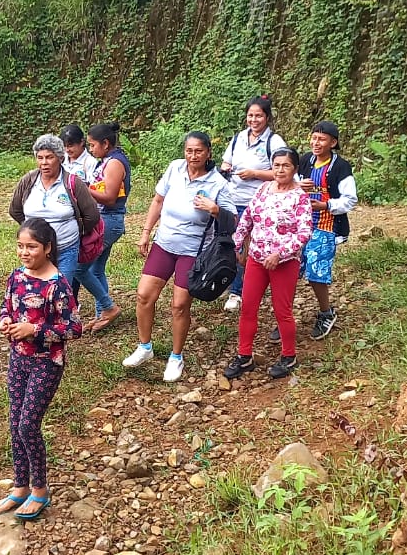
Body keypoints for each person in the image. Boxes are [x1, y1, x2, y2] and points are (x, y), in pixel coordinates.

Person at [0, 218, 82, 521]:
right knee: (15, 423)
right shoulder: (16, 277)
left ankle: (39, 490)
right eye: (20, 246)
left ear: (48, 248)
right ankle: (20, 487)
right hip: (18, 359)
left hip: (47, 363)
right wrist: (5, 321)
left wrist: (35, 330)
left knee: (28, 425)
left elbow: (74, 328)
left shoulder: (58, 285)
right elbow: (7, 306)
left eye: (31, 247)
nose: (24, 252)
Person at [123, 131, 232, 383]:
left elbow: (232, 220)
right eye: (189, 150)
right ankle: (144, 347)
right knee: (144, 295)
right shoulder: (175, 168)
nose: (193, 156)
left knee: (179, 305)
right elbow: (158, 201)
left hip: (193, 250)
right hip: (164, 243)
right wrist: (145, 232)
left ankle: (176, 356)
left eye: (198, 151)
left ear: (208, 153)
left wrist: (215, 209)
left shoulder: (218, 183)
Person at [223, 149, 312, 380]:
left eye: (286, 166)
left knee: (282, 310)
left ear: (295, 169)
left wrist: (280, 254)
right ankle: (244, 356)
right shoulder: (263, 189)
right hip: (257, 258)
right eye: (276, 165)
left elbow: (304, 232)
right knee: (248, 307)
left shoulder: (299, 197)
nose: (280, 170)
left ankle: (289, 356)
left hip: (284, 262)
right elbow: (248, 217)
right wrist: (236, 244)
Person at [219, 95, 288, 312]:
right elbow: (226, 161)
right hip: (231, 200)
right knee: (230, 243)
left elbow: (282, 172)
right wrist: (225, 169)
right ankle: (230, 281)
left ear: (267, 117)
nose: (254, 120)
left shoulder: (274, 142)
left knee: (247, 247)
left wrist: (255, 173)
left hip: (257, 202)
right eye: (250, 115)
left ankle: (238, 292)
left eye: (259, 116)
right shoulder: (239, 138)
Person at [10, 134, 101, 283]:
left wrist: (74, 231)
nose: (44, 163)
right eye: (40, 158)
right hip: (34, 251)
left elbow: (92, 215)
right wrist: (33, 229)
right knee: (34, 288)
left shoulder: (72, 183)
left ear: (60, 158)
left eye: (49, 157)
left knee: (60, 288)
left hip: (66, 248)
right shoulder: (28, 181)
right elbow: (15, 210)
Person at [299, 121, 357, 339]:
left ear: (333, 143)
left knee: (316, 272)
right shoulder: (305, 161)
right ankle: (284, 317)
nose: (316, 143)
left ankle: (326, 312)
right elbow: (288, 185)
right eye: (314, 138)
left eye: (321, 139)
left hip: (326, 226)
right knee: (290, 270)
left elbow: (350, 199)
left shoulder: (340, 167)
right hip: (300, 225)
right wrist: (298, 187)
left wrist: (325, 205)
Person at [73, 122, 131, 333]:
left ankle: (109, 307)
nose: (90, 149)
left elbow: (109, 197)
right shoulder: (108, 160)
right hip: (105, 219)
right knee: (96, 269)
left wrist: (83, 188)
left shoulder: (114, 163)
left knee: (79, 268)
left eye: (92, 145)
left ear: (105, 144)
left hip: (109, 219)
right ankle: (102, 315)